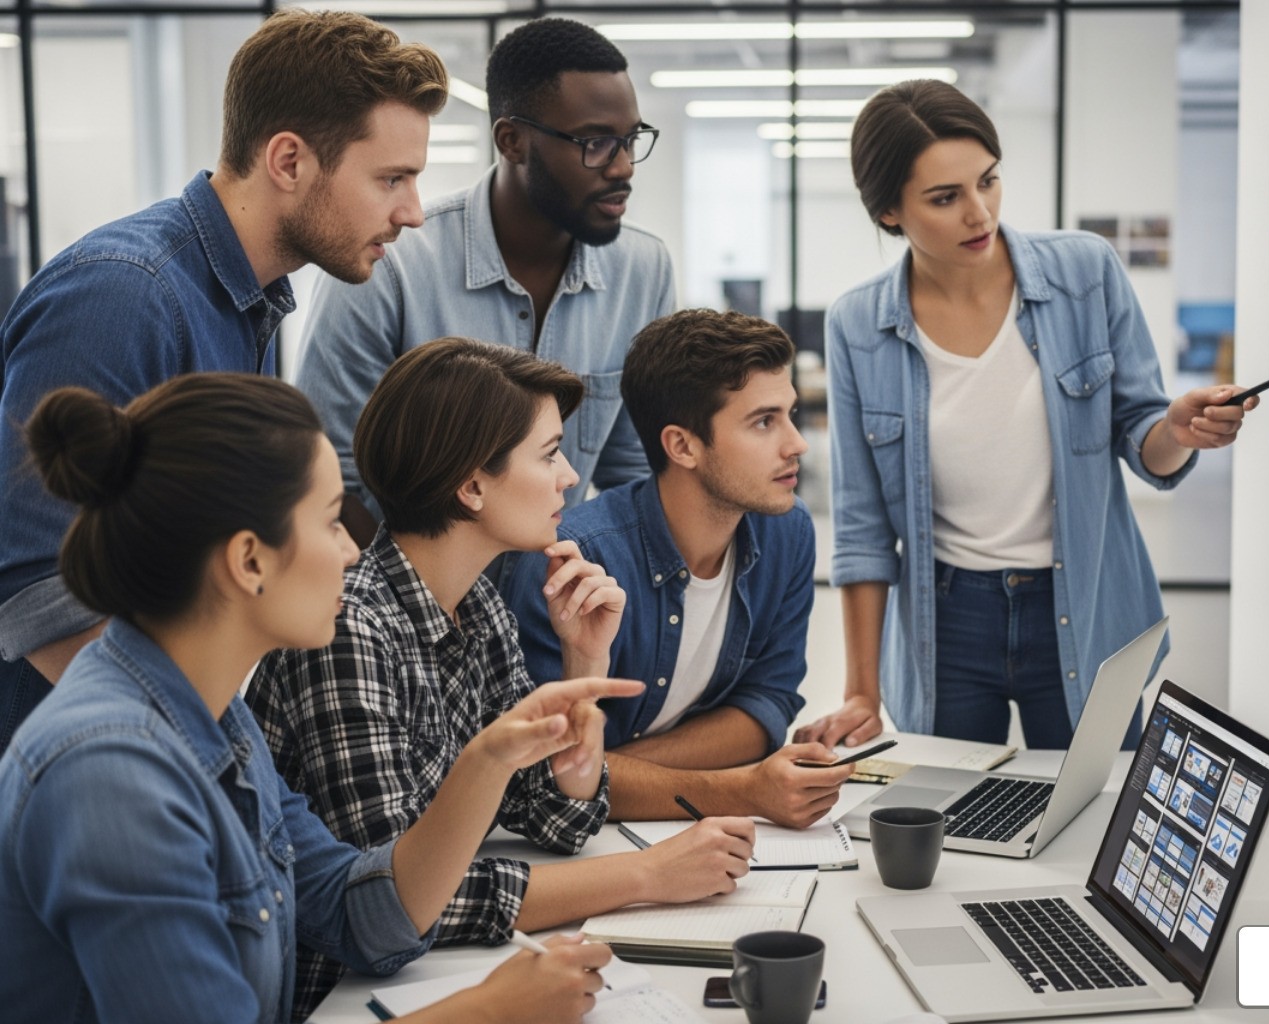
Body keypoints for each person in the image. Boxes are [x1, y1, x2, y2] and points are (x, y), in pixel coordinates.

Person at [0, 373, 642, 1024]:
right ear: (250, 561)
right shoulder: (112, 774)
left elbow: (360, 912)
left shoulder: (215, 713)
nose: (348, 550)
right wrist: (487, 1011)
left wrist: (489, 761)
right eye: (332, 521)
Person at [247, 337, 755, 1019]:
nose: (570, 477)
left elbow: (558, 813)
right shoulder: (348, 631)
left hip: (427, 978)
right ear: (472, 485)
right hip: (339, 1000)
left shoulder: (478, 601)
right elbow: (402, 901)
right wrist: (645, 875)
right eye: (548, 455)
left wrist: (585, 662)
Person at [0, 9, 449, 751]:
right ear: (288, 162)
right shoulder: (126, 296)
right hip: (90, 781)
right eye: (391, 179)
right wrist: (218, 756)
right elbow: (40, 602)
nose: (412, 213)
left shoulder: (248, 303)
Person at [795, 80, 1255, 750]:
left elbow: (1147, 446)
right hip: (947, 622)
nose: (979, 213)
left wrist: (1178, 432)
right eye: (945, 198)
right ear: (890, 212)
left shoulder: (1085, 273)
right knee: (952, 829)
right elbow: (863, 528)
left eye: (988, 181)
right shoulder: (858, 325)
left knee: (1091, 825)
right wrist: (861, 692)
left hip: (1084, 603)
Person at [296, 16, 672, 548]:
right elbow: (331, 477)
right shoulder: (391, 261)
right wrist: (424, 611)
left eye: (631, 139)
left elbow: (630, 472)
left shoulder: (644, 269)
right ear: (512, 141)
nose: (623, 167)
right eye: (595, 143)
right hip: (404, 615)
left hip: (560, 610)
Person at [505, 309, 854, 828]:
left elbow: (767, 704)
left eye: (789, 414)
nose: (796, 443)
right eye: (764, 422)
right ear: (682, 446)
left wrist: (615, 769)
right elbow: (539, 778)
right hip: (576, 848)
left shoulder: (787, 529)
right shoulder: (572, 563)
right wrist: (740, 790)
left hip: (682, 831)